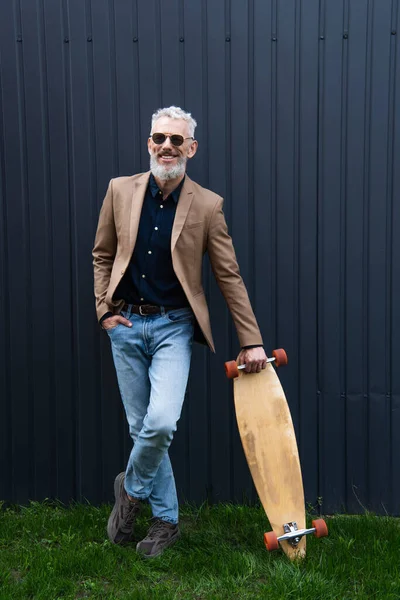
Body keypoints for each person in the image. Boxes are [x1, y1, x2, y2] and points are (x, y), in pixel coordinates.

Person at [92, 106, 267, 558]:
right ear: (148, 143)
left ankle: (129, 492)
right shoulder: (119, 190)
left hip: (173, 326)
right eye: (158, 138)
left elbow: (228, 276)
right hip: (126, 324)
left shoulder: (208, 206)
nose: (166, 146)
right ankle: (166, 522)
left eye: (176, 140)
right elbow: (102, 254)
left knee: (161, 422)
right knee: (142, 429)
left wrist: (251, 340)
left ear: (191, 148)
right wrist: (103, 312)